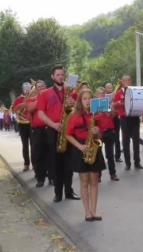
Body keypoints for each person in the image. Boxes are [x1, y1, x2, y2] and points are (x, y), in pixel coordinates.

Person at [35, 65, 78, 202]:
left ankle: (69, 191)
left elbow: (82, 108)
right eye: (58, 75)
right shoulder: (45, 93)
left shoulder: (71, 91)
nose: (60, 77)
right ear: (52, 77)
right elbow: (40, 114)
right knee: (56, 163)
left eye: (62, 74)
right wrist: (53, 124)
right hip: (54, 130)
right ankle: (58, 193)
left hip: (69, 130)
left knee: (69, 163)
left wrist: (75, 103)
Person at [65, 89, 105, 221]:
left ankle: (94, 210)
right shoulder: (74, 115)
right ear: (80, 101)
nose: (87, 101)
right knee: (84, 181)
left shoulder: (96, 115)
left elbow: (100, 136)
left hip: (93, 146)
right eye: (84, 99)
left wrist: (98, 131)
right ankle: (87, 211)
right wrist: (80, 146)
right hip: (81, 147)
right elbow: (68, 134)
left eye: (89, 99)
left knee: (94, 182)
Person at [113, 75, 143, 171]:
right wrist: (118, 103)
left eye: (128, 80)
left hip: (134, 117)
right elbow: (113, 104)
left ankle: (137, 162)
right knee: (126, 141)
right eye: (124, 80)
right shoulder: (118, 93)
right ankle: (128, 163)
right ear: (121, 82)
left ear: (130, 81)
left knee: (135, 141)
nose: (127, 81)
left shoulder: (134, 91)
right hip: (124, 118)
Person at [95, 86, 119, 181]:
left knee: (110, 154)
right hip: (99, 132)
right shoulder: (93, 104)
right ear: (96, 95)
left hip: (109, 131)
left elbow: (113, 116)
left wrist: (111, 111)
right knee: (98, 153)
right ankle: (98, 174)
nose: (101, 95)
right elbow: (91, 118)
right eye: (99, 94)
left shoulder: (109, 103)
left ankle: (113, 174)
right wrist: (98, 112)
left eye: (103, 94)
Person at [28, 80, 50, 185]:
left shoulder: (50, 98)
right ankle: (40, 178)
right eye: (39, 87)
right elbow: (30, 109)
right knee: (38, 154)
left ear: (46, 87)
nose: (41, 88)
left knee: (50, 154)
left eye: (42, 86)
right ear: (36, 89)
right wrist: (41, 98)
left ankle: (52, 177)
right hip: (36, 130)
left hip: (49, 128)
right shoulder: (32, 99)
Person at [12, 83, 35, 171]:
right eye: (25, 88)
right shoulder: (19, 99)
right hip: (22, 123)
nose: (27, 89)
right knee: (25, 145)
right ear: (22, 89)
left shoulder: (33, 97)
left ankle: (34, 163)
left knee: (34, 145)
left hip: (32, 123)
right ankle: (26, 164)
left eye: (28, 88)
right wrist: (22, 104)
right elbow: (14, 110)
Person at [104, 82, 121, 162]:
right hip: (106, 119)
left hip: (115, 118)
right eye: (108, 88)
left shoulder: (116, 94)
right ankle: (108, 156)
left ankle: (118, 156)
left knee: (117, 137)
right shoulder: (103, 97)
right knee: (108, 138)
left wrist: (116, 103)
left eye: (110, 87)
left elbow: (120, 104)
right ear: (105, 89)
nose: (109, 89)